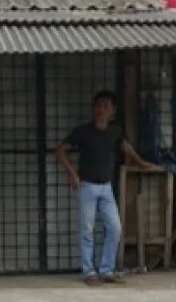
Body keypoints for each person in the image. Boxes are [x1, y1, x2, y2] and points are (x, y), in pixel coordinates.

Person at [55, 90, 153, 285]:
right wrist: (72, 173)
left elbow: (127, 148)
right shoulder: (83, 131)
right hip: (87, 186)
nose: (101, 109)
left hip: (106, 187)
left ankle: (106, 270)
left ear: (113, 111)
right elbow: (60, 151)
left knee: (115, 228)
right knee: (87, 230)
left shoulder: (115, 131)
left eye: (105, 106)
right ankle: (89, 272)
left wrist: (142, 163)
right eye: (98, 105)